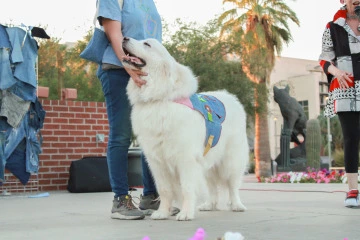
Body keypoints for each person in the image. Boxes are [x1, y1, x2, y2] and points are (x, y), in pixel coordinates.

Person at [94, 0, 163, 220]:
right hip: (117, 71)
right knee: (122, 135)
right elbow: (113, 34)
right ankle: (120, 200)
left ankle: (151, 196)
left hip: (146, 73)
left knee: (150, 135)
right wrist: (128, 65)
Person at [319, 0, 360, 208]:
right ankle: (352, 191)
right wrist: (336, 72)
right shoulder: (333, 26)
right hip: (346, 89)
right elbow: (324, 60)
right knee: (351, 138)